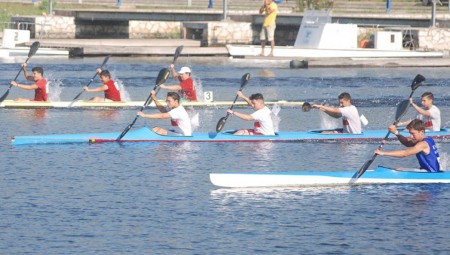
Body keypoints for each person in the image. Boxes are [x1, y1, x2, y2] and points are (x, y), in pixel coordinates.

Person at [375, 119, 440, 172]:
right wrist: (396, 132)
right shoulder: (428, 139)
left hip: (430, 173)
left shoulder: (422, 144)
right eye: (410, 133)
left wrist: (383, 153)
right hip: (429, 171)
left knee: (398, 170)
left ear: (422, 131)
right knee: (399, 169)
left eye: (412, 133)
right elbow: (407, 143)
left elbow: (405, 153)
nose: (411, 136)